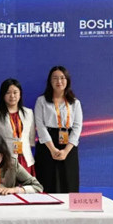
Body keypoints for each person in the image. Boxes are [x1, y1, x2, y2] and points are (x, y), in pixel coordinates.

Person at [34, 65, 83, 193]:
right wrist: (53, 149)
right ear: (50, 81)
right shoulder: (41, 101)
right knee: (47, 181)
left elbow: (77, 127)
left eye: (62, 78)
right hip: (47, 144)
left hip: (68, 145)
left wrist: (66, 151)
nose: (59, 81)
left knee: (69, 182)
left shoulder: (75, 102)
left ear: (67, 80)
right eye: (55, 78)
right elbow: (40, 125)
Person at [0, 78, 36, 176]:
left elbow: (31, 138)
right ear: (3, 95)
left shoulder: (29, 112)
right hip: (5, 159)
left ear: (20, 94)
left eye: (15, 92)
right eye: (8, 93)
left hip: (25, 159)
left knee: (26, 185)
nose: (12, 96)